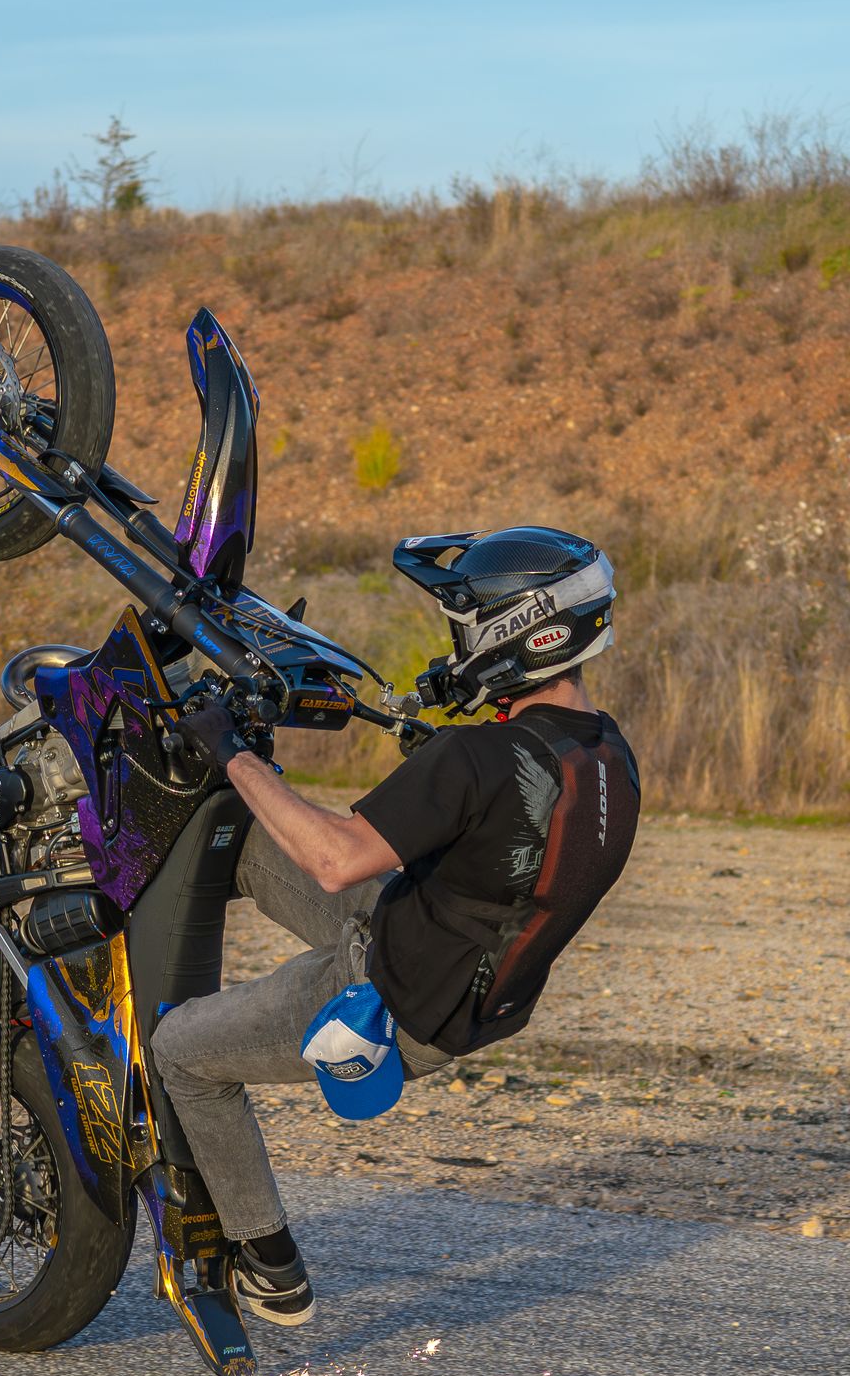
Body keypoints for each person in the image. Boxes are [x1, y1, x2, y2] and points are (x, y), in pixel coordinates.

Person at [151, 526, 641, 1326]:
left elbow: (335, 861)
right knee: (247, 841)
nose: (456, 646)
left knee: (180, 1052)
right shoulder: (610, 758)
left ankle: (269, 1264)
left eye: (465, 627)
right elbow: (507, 841)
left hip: (390, 995)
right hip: (463, 977)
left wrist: (234, 755)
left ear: (516, 633)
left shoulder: (477, 761)